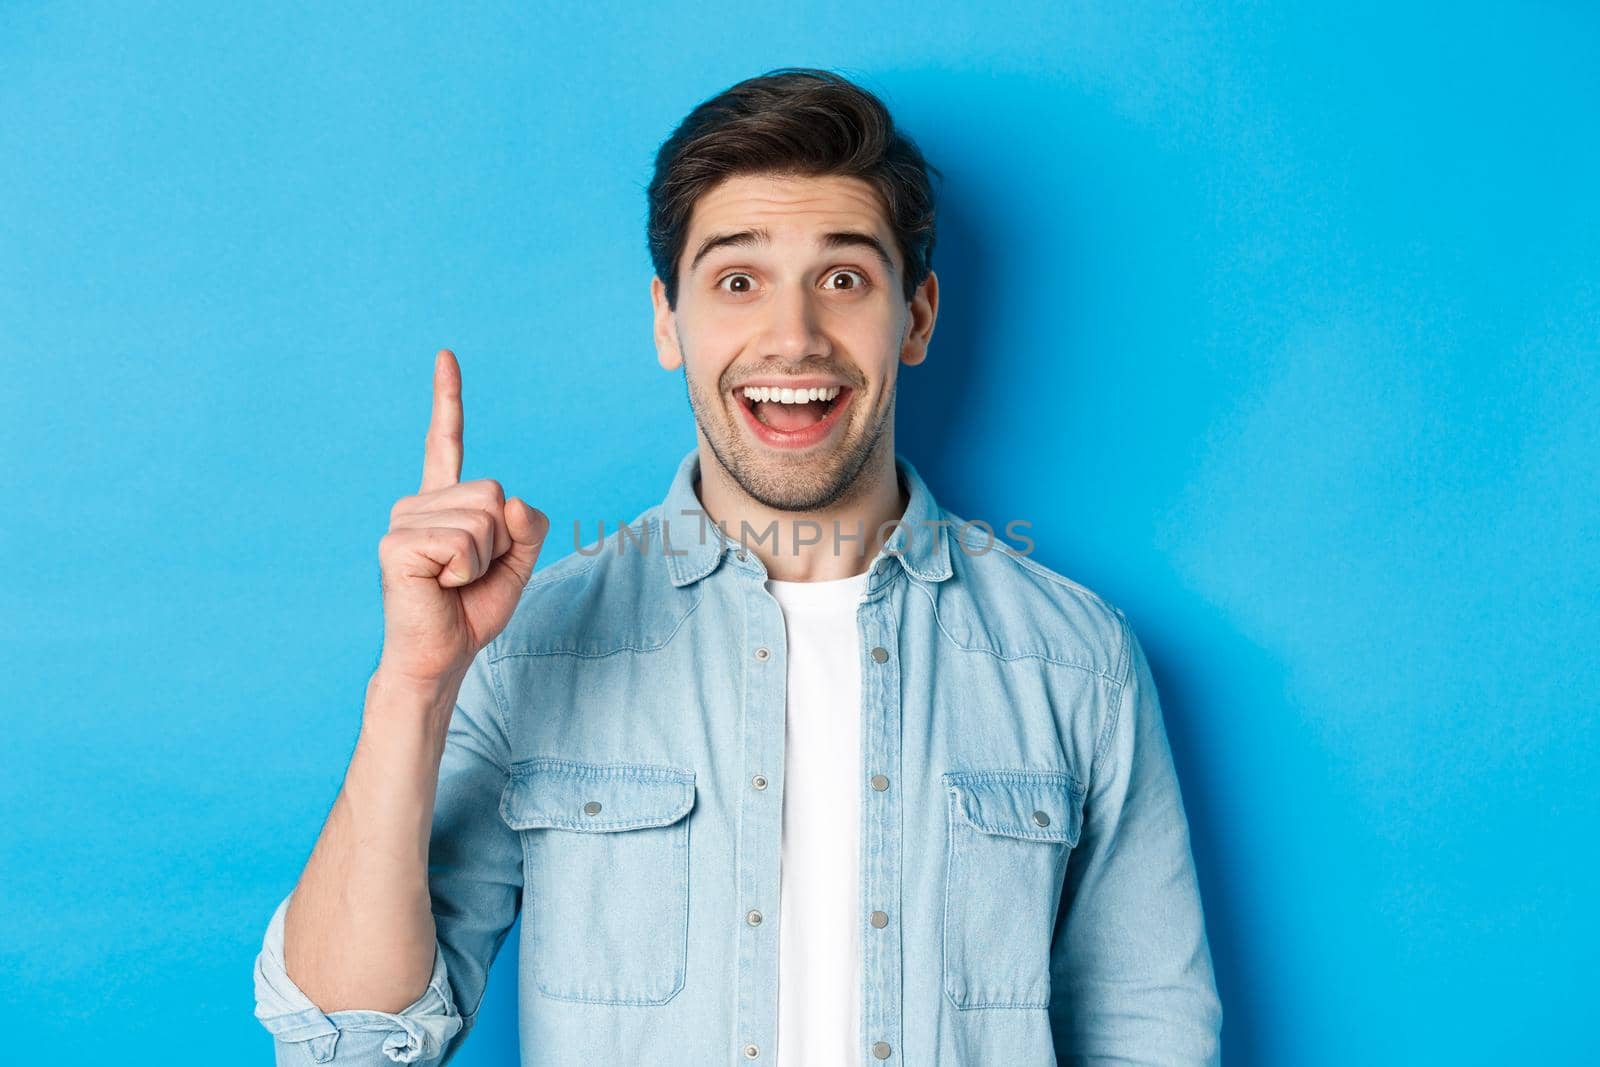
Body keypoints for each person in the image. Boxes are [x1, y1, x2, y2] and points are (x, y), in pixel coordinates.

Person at [252, 66, 1222, 1065]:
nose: (792, 337)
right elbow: (345, 1044)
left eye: (842, 278)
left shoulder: (1076, 662)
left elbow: (1148, 1029)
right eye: (736, 280)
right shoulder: (530, 646)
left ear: (918, 316)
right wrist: (413, 686)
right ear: (668, 320)